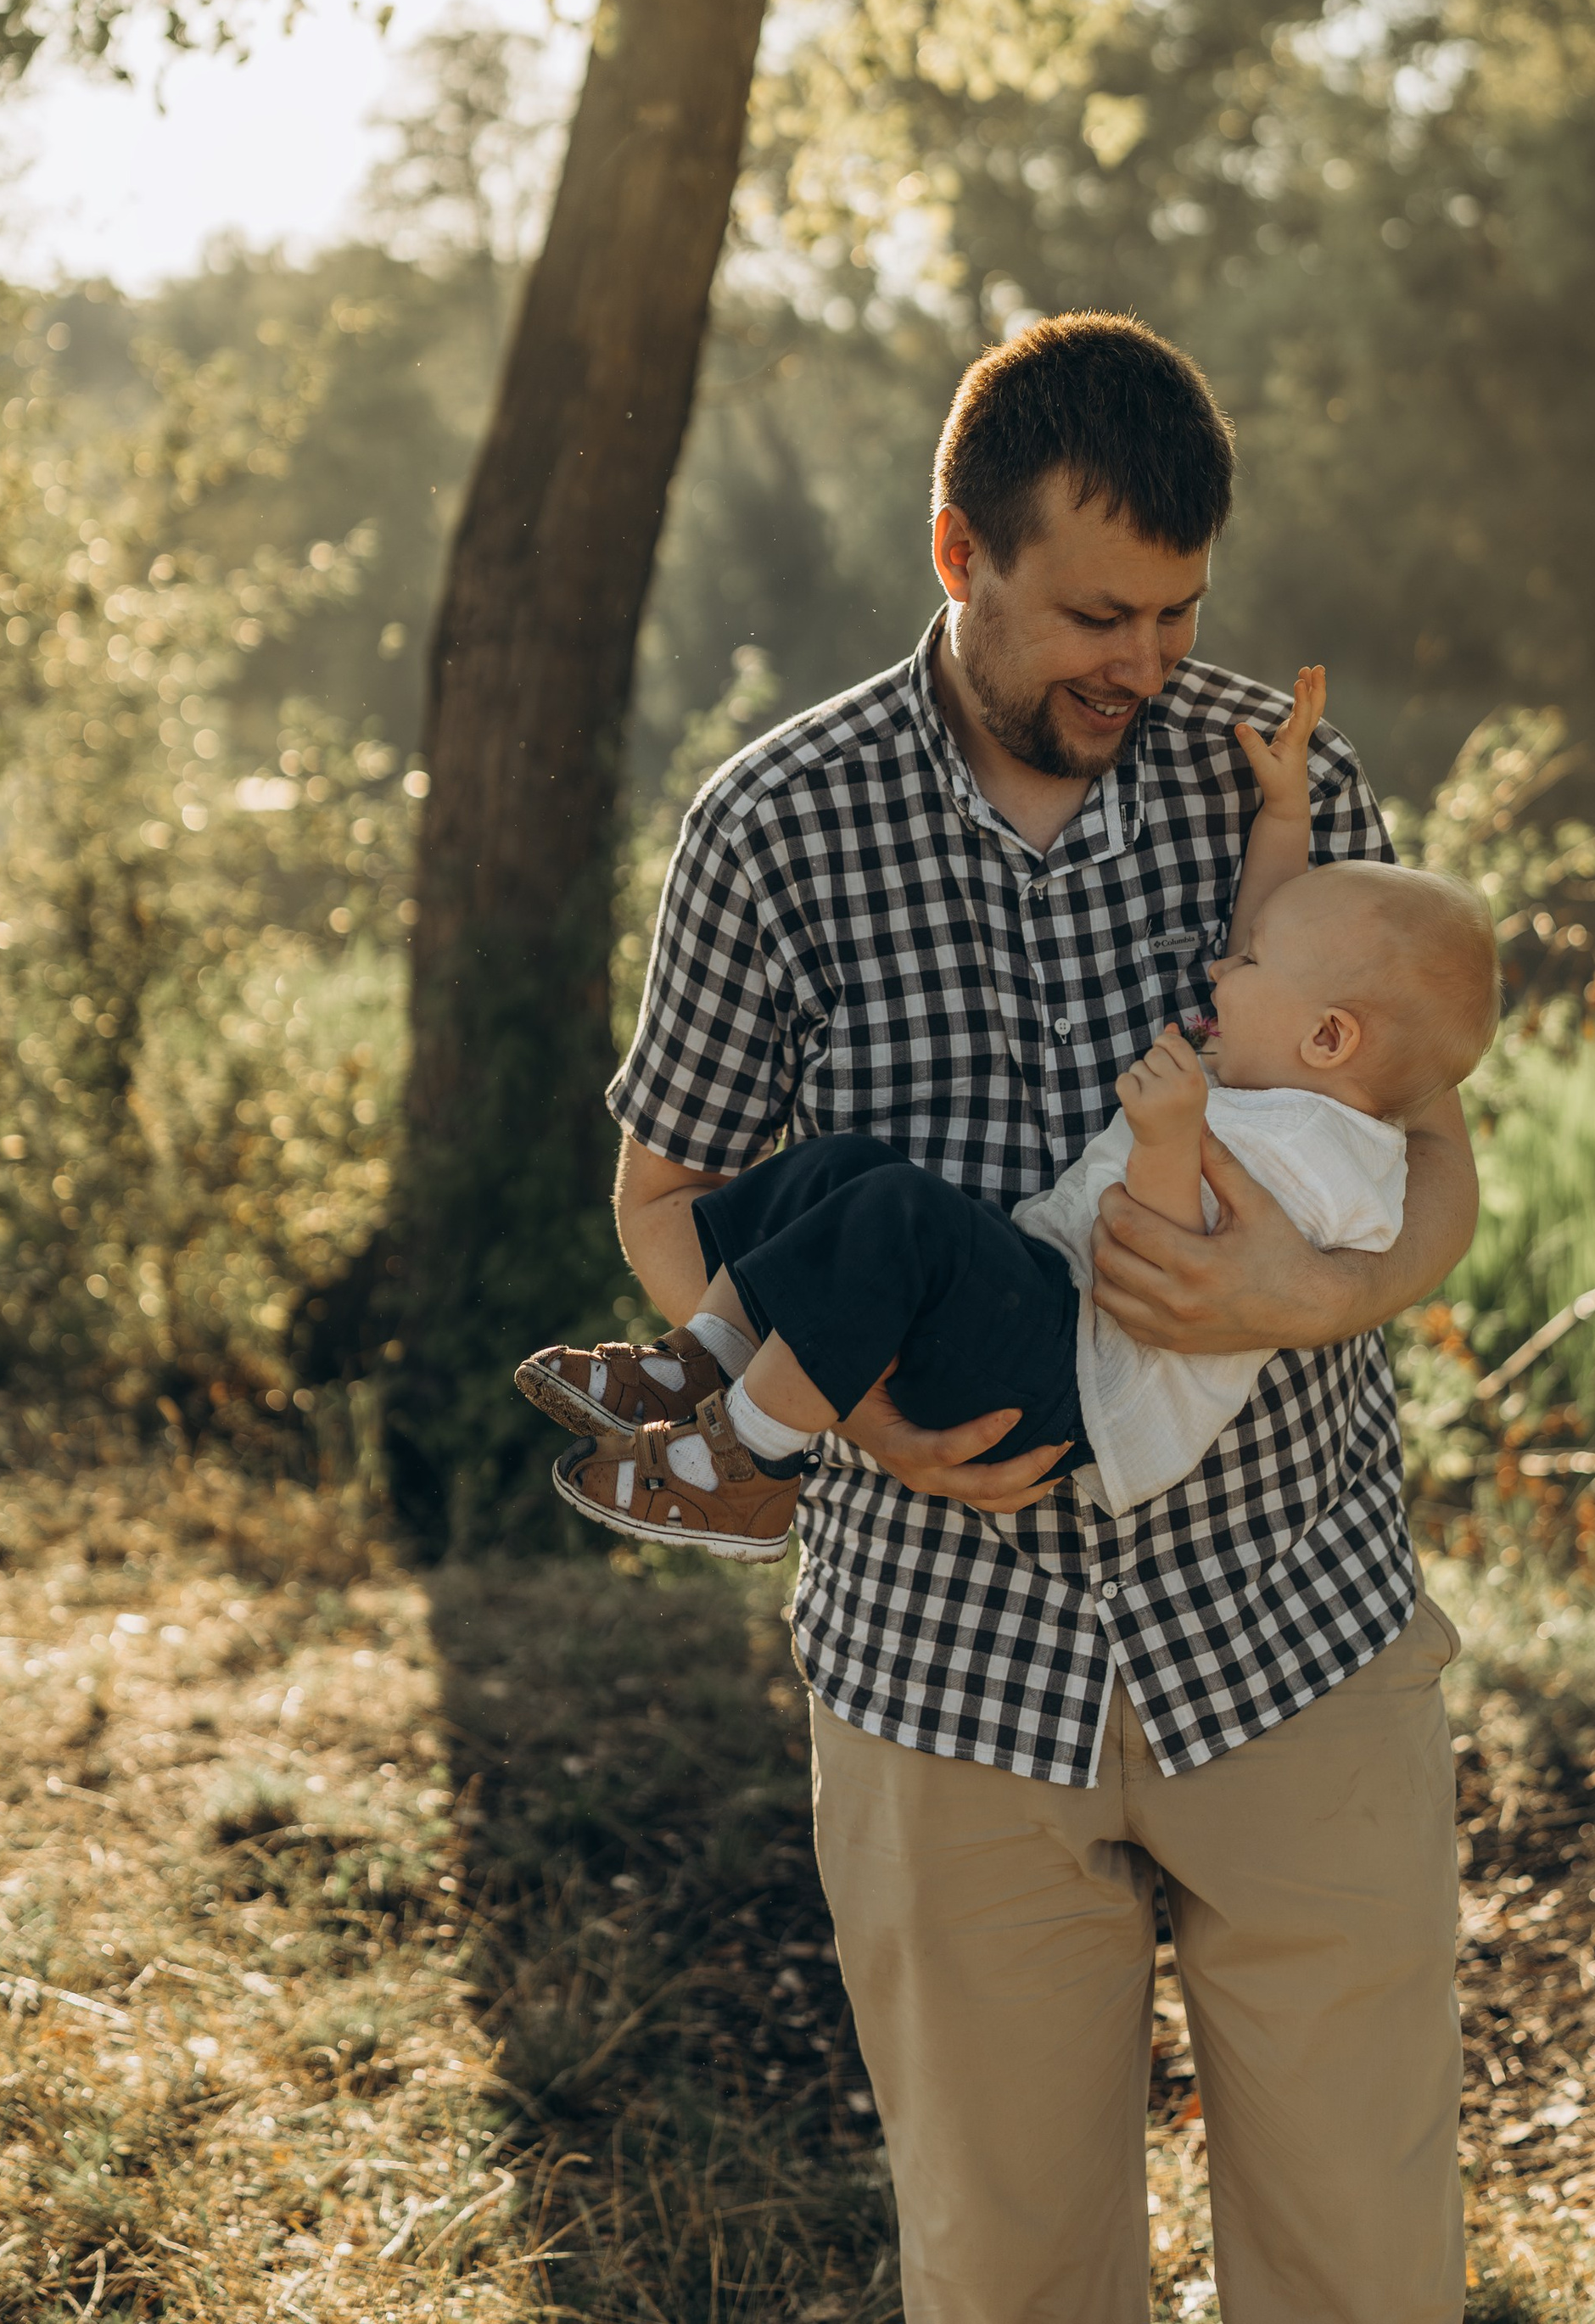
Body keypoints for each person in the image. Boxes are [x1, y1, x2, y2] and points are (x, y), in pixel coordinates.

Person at [590, 313, 1480, 2324]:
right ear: (954, 553)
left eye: (1175, 610)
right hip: (944, 1674)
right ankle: (717, 1441)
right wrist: (858, 1426)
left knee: (1362, 2270)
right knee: (1010, 2278)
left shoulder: (1276, 769)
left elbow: (1431, 1147)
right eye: (1093, 610)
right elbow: (667, 1194)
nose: (1143, 664)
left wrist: (1315, 1284)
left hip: (1293, 1635)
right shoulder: (775, 823)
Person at [518, 669, 1503, 1556]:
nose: (1218, 965)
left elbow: (1158, 1264)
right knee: (841, 1170)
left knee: (897, 1218)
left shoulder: (1322, 1153)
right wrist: (1281, 811)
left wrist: (1167, 1141)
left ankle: (753, 1471)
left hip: (1082, 1387)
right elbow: (1272, 921)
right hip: (1042, 1311)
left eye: (1243, 967)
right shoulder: (1278, 1066)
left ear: (1327, 1038)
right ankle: (702, 1364)